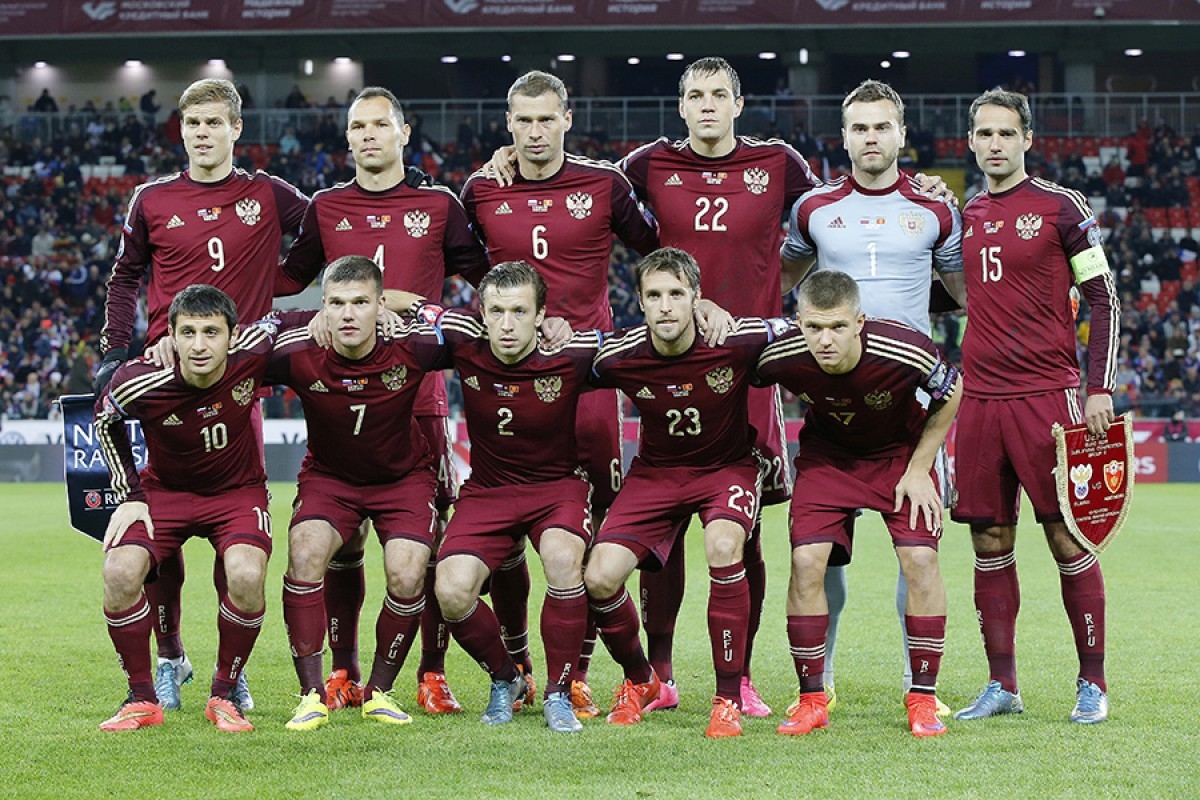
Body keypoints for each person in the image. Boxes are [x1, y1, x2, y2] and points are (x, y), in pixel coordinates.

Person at [615, 56, 821, 716]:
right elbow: (593, 198)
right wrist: (510, 157)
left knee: (745, 529)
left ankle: (744, 676)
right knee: (662, 530)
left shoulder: (778, 163)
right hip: (669, 368)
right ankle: (660, 673)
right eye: (696, 95)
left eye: (719, 94)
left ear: (738, 104)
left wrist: (776, 286)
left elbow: (830, 218)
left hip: (749, 371)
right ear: (681, 106)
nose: (707, 104)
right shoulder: (650, 163)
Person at [94, 78, 308, 713]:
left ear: (236, 128)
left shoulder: (267, 193)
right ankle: (169, 659)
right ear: (182, 131)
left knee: (231, 510)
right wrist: (116, 351)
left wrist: (276, 284)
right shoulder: (153, 198)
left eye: (214, 122)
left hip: (240, 366)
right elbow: (125, 276)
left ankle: (227, 672)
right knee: (164, 509)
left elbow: (327, 229)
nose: (203, 133)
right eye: (193, 124)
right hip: (167, 367)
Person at [277, 86, 490, 717]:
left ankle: (431, 672)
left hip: (418, 397)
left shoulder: (438, 204)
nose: (368, 135)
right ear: (347, 138)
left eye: (379, 124)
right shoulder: (325, 206)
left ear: (403, 132)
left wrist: (414, 306)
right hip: (347, 393)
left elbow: (489, 284)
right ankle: (342, 671)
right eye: (357, 126)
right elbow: (286, 280)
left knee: (425, 546)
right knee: (341, 546)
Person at [460, 69, 659, 717]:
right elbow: (463, 266)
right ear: (508, 124)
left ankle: (577, 673)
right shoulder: (482, 188)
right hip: (510, 383)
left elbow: (656, 247)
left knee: (592, 533)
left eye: (547, 118)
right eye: (523, 120)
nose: (536, 131)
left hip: (588, 381)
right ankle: (518, 661)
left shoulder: (604, 184)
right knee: (508, 527)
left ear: (567, 119)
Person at [779, 79, 966, 713]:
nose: (871, 137)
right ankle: (821, 676)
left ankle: (919, 685)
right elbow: (779, 279)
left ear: (901, 134)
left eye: (882, 126)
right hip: (834, 406)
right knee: (821, 558)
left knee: (917, 552)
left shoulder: (936, 209)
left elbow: (966, 292)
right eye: (859, 127)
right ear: (844, 136)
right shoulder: (814, 208)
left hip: (910, 403)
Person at [952, 89, 1119, 725]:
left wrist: (1098, 386)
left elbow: (1102, 297)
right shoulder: (967, 213)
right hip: (980, 399)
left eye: (1006, 133)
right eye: (984, 134)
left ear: (1027, 139)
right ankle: (1003, 685)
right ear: (971, 142)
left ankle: (1093, 682)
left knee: (1066, 535)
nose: (995, 144)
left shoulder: (1061, 207)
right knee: (988, 539)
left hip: (1047, 396)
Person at [586, 248, 787, 739]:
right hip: (656, 475)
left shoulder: (735, 340)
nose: (665, 306)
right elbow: (557, 357)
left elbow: (808, 333)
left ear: (697, 297)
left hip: (725, 469)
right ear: (639, 301)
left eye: (676, 294)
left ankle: (729, 697)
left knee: (724, 545)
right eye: (654, 295)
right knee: (599, 576)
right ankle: (643, 679)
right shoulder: (620, 354)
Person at [756, 270, 962, 738]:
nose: (825, 340)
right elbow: (732, 370)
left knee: (920, 560)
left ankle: (922, 699)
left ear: (859, 322)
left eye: (837, 327)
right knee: (806, 562)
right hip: (828, 459)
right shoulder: (781, 353)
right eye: (813, 327)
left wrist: (919, 468)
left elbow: (952, 391)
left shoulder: (903, 348)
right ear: (799, 322)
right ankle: (812, 699)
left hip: (898, 456)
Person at [272, 256, 446, 731]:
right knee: (305, 553)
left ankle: (379, 692)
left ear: (380, 306)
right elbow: (240, 335)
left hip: (402, 479)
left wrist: (417, 306)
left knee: (407, 570)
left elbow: (474, 329)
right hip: (331, 478)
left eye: (360, 303)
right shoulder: (297, 349)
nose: (348, 314)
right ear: (323, 306)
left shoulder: (412, 345)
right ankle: (312, 695)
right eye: (336, 304)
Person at [94, 285, 277, 732]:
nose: (199, 345)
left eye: (211, 332)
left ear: (233, 336)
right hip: (165, 492)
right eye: (188, 332)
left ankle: (224, 692)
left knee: (246, 575)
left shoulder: (253, 353)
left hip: (237, 492)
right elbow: (104, 416)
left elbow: (294, 322)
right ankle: (142, 699)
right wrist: (130, 493)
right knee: (119, 572)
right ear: (170, 337)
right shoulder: (141, 378)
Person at [432, 261, 601, 733]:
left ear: (541, 314)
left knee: (563, 560)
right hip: (489, 490)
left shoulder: (571, 352)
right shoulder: (463, 343)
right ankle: (507, 677)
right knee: (451, 589)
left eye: (520, 312)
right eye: (497, 312)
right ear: (482, 313)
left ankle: (558, 694)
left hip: (556, 487)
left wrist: (708, 313)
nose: (507, 324)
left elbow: (645, 346)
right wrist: (382, 307)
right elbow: (412, 311)